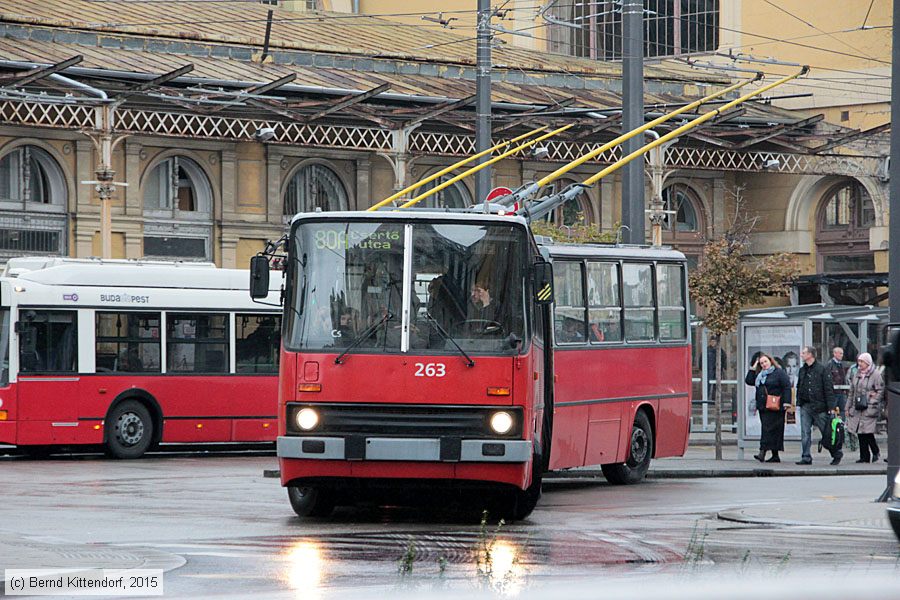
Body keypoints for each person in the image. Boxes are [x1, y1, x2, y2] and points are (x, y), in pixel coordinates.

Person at [796, 345, 842, 465]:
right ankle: (806, 456)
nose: (801, 355)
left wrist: (831, 408)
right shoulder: (802, 370)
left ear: (810, 355)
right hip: (806, 405)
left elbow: (828, 389)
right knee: (805, 432)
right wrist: (799, 401)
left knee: (826, 432)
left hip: (819, 406)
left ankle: (836, 453)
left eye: (804, 353)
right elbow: (799, 385)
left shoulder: (822, 369)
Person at [744, 353, 790, 463]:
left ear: (770, 361)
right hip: (764, 407)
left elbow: (786, 387)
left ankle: (762, 452)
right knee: (768, 430)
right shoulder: (760, 375)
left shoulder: (778, 372)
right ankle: (774, 455)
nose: (764, 364)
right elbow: (749, 380)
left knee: (771, 430)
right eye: (761, 363)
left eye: (765, 362)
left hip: (776, 407)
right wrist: (754, 366)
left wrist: (787, 402)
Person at [845, 352, 884, 463]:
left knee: (867, 432)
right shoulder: (856, 374)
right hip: (858, 407)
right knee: (860, 432)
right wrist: (847, 407)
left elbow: (880, 390)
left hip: (870, 408)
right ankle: (864, 456)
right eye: (859, 361)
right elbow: (851, 392)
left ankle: (875, 451)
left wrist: (872, 400)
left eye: (862, 361)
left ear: (867, 362)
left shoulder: (875, 375)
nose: (860, 363)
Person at [829, 347, 848, 420]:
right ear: (834, 354)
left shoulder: (841, 365)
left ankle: (842, 425)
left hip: (841, 392)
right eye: (840, 353)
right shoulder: (830, 365)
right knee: (832, 411)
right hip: (833, 393)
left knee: (843, 410)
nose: (841, 355)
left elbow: (843, 378)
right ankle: (832, 426)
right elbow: (829, 379)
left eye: (842, 353)